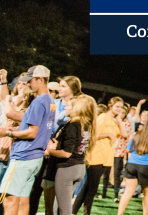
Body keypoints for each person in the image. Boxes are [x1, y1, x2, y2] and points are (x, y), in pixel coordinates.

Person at [0, 65, 55, 215]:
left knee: (9, 199)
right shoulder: (50, 100)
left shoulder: (38, 102)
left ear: (40, 80)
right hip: (35, 157)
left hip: (24, 156)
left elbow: (32, 132)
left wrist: (8, 133)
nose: (28, 84)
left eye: (30, 81)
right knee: (23, 198)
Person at [72, 96, 128, 215]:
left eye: (121, 107)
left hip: (105, 157)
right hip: (96, 155)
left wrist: (119, 120)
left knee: (88, 187)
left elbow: (124, 134)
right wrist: (107, 134)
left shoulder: (114, 120)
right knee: (92, 188)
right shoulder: (103, 117)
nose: (119, 109)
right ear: (110, 106)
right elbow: (92, 134)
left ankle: (74, 211)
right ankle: (85, 212)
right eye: (117, 106)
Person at [46, 94, 96, 215]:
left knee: (63, 210)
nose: (65, 108)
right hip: (80, 168)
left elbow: (67, 153)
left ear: (78, 108)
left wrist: (49, 151)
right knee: (59, 208)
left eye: (68, 105)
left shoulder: (73, 125)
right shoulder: (88, 125)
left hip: (67, 169)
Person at [117, 116, 148, 215]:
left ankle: (119, 213)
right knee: (147, 194)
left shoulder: (136, 135)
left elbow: (128, 149)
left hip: (132, 164)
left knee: (128, 192)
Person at [112, 103, 133, 202]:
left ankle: (116, 195)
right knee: (106, 172)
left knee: (117, 172)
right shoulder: (111, 120)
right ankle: (102, 193)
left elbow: (125, 135)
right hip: (109, 148)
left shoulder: (126, 122)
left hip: (119, 150)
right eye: (119, 112)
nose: (121, 114)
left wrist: (120, 122)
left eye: (123, 112)